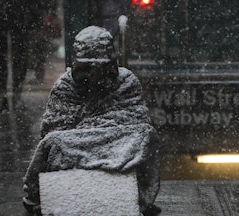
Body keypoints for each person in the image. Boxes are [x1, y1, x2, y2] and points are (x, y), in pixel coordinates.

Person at [23, 26, 161, 216]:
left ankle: (133, 194)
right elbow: (54, 131)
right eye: (87, 68)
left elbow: (135, 123)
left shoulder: (127, 81)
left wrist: (90, 131)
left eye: (100, 68)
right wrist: (102, 130)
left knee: (145, 135)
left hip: (117, 146)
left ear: (111, 64)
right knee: (53, 143)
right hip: (85, 147)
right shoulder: (65, 86)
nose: (94, 75)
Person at [0, 1, 37, 112]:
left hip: (18, 10)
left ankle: (14, 95)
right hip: (0, 10)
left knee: (19, 56)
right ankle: (5, 96)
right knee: (0, 56)